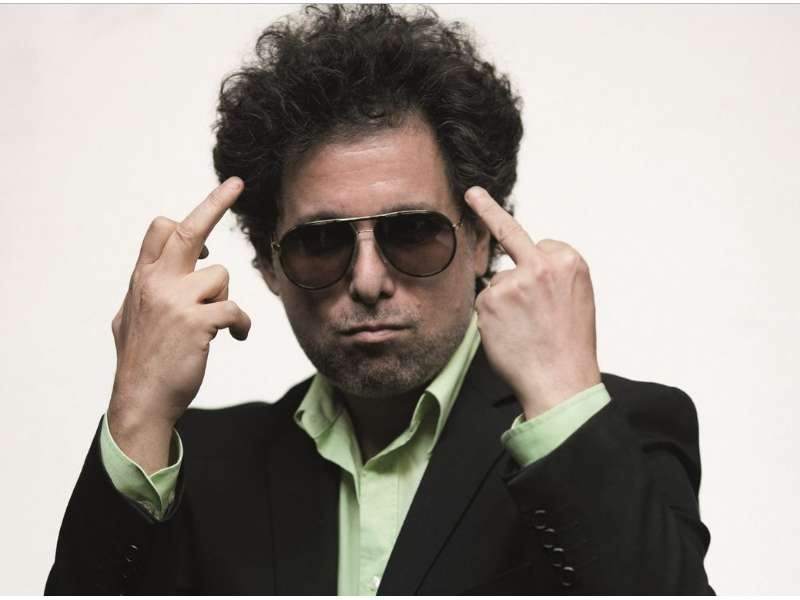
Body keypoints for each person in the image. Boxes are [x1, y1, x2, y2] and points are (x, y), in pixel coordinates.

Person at [45, 5, 713, 595]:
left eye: (413, 233)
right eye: (320, 242)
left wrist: (563, 406)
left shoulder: (623, 429)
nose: (367, 281)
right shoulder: (194, 468)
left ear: (481, 242)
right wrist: (136, 408)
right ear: (268, 265)